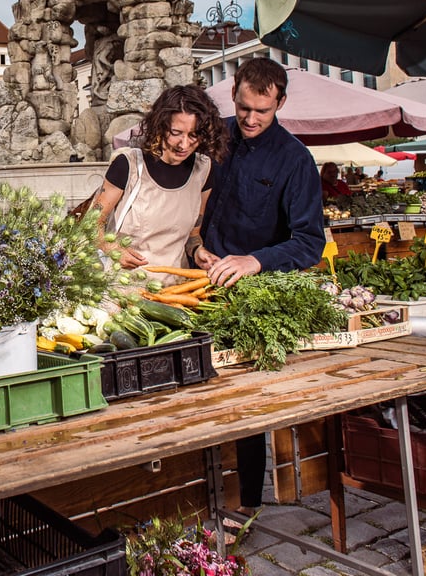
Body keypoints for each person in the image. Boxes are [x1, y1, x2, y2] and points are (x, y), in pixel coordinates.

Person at [193, 57, 324, 524]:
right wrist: (194, 245)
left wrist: (256, 261)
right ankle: (195, 495)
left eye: (261, 111)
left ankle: (246, 502)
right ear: (233, 94)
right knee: (195, 392)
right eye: (244, 107)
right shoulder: (214, 137)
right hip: (195, 283)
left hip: (251, 296)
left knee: (244, 402)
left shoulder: (295, 159)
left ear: (280, 103)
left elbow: (310, 242)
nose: (250, 119)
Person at [90, 85, 228, 274]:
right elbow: (91, 224)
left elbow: (192, 236)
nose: (184, 144)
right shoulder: (128, 165)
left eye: (194, 135)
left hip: (177, 285)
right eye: (176, 133)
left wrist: (198, 251)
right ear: (160, 126)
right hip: (124, 285)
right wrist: (111, 248)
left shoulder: (203, 170)